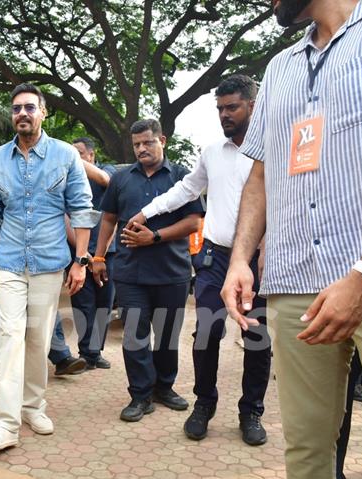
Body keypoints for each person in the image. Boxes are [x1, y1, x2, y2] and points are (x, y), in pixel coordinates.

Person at [220, 1, 362, 477]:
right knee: (305, 452)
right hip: (294, 283)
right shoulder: (279, 68)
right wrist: (240, 261)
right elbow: (260, 173)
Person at [126, 75, 271, 445]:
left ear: (252, 105)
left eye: (232, 107)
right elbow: (187, 188)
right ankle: (204, 404)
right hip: (216, 259)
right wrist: (146, 212)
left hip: (261, 261)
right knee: (206, 334)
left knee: (257, 338)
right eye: (220, 108)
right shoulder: (212, 152)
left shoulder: (275, 148)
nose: (224, 115)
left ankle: (251, 411)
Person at [0, 83, 98, 451]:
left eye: (30, 107)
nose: (22, 114)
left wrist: (80, 262)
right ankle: (5, 424)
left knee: (38, 339)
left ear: (43, 112)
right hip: (9, 261)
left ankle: (34, 406)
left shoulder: (64, 155)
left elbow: (81, 209)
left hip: (49, 263)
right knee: (11, 336)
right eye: (16, 109)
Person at [93, 118, 204, 422]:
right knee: (134, 335)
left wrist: (154, 236)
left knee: (167, 335)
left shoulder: (182, 176)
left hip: (172, 271)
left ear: (162, 140)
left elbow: (194, 222)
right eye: (137, 144)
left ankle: (164, 387)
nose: (142, 149)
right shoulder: (121, 178)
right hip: (130, 272)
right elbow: (107, 219)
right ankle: (140, 395)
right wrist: (99, 257)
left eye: (147, 142)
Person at [70, 137, 117, 370]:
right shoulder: (67, 179)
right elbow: (64, 217)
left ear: (91, 155)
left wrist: (70, 157)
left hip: (108, 253)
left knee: (104, 303)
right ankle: (86, 352)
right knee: (82, 303)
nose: (74, 158)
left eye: (78, 153)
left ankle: (96, 351)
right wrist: (82, 253)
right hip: (78, 254)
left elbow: (105, 179)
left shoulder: (106, 170)